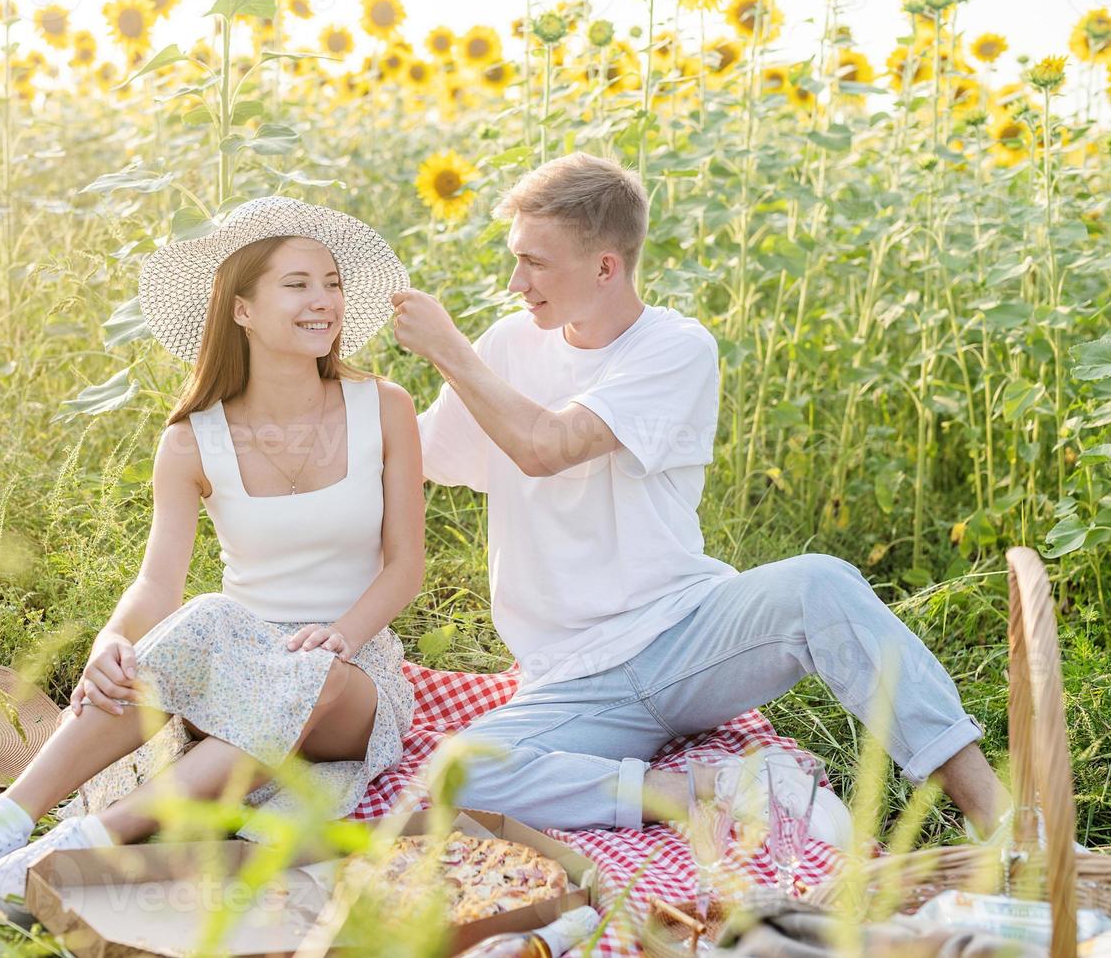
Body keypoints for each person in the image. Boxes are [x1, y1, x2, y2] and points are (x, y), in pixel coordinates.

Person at [391, 152, 1010, 841]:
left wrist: (447, 348)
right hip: (569, 680)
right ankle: (696, 789)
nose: (515, 283)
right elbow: (413, 456)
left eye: (535, 263)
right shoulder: (506, 346)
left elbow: (548, 447)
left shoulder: (675, 347)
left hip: (686, 639)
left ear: (604, 266)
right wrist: (292, 420)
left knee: (820, 583)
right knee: (458, 773)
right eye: (516, 258)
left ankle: (1008, 824)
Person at [0, 197, 422, 924]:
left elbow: (404, 567)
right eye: (298, 284)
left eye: (331, 282)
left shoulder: (383, 407)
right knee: (204, 613)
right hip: (234, 666)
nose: (323, 300)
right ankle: (4, 822)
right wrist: (111, 643)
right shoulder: (191, 441)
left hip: (353, 680)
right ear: (240, 309)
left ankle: (83, 844)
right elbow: (157, 582)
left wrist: (344, 635)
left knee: (310, 672)